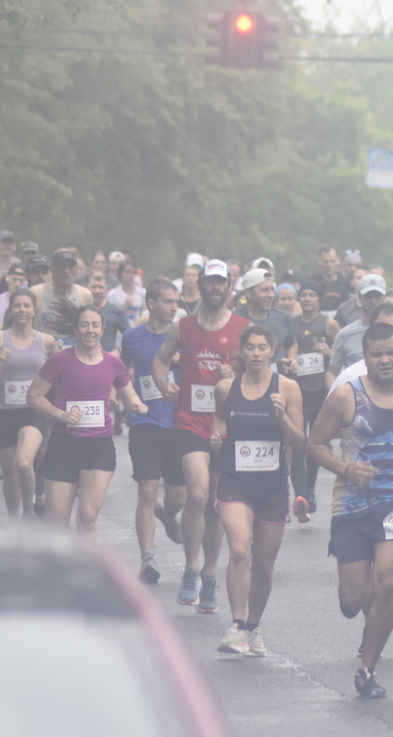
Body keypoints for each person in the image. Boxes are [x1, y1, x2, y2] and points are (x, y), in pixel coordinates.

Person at [308, 322, 393, 699]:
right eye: (377, 354)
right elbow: (314, 444)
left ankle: (368, 668)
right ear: (364, 357)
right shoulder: (346, 396)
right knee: (352, 601)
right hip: (351, 505)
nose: (385, 359)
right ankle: (372, 623)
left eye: (391, 352)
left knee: (389, 583)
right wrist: (346, 469)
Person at [153, 258, 250, 612]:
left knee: (214, 502)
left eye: (219, 283)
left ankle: (210, 574)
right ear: (201, 285)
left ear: (228, 287)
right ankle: (191, 569)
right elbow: (161, 359)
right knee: (196, 492)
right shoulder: (184, 327)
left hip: (227, 422)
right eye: (209, 282)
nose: (214, 288)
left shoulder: (243, 328)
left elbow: (258, 373)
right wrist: (165, 383)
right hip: (190, 419)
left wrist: (234, 373)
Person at [213, 325, 306, 658]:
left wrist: (281, 416)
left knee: (264, 566)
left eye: (261, 347)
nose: (255, 353)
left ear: (272, 351)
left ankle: (253, 626)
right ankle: (237, 625)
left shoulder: (288, 388)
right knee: (239, 549)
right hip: (235, 479)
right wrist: (215, 435)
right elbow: (220, 421)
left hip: (272, 484)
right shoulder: (226, 388)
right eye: (249, 347)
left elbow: (299, 442)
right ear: (241, 351)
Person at [27, 304, 146, 537]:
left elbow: (128, 393)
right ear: (76, 329)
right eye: (84, 325)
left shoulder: (113, 363)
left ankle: (87, 572)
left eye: (95, 325)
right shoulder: (60, 361)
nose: (89, 330)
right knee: (58, 523)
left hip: (98, 447)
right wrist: (60, 414)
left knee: (88, 517)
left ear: (103, 330)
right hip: (63, 445)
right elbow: (33, 396)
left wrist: (135, 404)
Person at [122, 277, 189, 584]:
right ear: (151, 304)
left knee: (178, 494)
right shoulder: (133, 337)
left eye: (176, 302)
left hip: (179, 422)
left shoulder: (186, 337)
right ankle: (147, 558)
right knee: (148, 489)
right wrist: (125, 399)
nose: (174, 307)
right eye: (167, 301)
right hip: (145, 421)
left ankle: (168, 512)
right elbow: (120, 373)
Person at [0, 287, 58, 518]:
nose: (22, 309)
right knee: (11, 476)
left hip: (33, 411)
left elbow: (60, 377)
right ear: (11, 310)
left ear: (34, 310)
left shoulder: (46, 342)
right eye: (17, 305)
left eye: (26, 305)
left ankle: (29, 510)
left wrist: (56, 411)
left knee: (24, 463)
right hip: (4, 412)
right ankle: (14, 520)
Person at [288, 279, 340, 520]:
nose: (307, 299)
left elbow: (342, 352)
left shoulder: (328, 324)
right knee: (298, 442)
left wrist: (330, 352)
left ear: (319, 299)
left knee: (315, 442)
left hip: (320, 389)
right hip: (297, 390)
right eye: (304, 295)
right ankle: (300, 495)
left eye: (312, 295)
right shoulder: (291, 324)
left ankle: (310, 487)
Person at [330, 274, 393, 377]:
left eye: (377, 296)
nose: (373, 301)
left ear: (385, 297)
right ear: (360, 297)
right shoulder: (346, 334)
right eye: (368, 296)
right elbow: (331, 373)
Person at [31, 249, 93, 346]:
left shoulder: (85, 295)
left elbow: (90, 329)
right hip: (42, 352)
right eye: (61, 266)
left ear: (77, 269)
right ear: (52, 268)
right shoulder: (37, 293)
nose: (66, 271)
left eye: (70, 266)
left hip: (73, 353)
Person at [238, 269, 296, 370]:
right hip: (245, 382)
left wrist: (291, 358)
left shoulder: (284, 318)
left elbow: (291, 344)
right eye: (264, 290)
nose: (270, 295)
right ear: (248, 292)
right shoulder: (235, 319)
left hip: (277, 382)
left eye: (272, 290)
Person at [86, 269, 130, 351]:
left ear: (107, 288)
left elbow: (131, 337)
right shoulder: (80, 309)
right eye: (94, 287)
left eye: (101, 287)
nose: (97, 291)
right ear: (86, 286)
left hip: (107, 359)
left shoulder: (115, 310)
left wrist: (118, 351)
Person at [316, 245, 354, 316]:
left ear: (338, 261)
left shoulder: (347, 283)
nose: (329, 265)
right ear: (320, 262)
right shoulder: (313, 282)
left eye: (332, 261)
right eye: (325, 262)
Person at [108, 260, 148, 327]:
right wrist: (124, 307)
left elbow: (145, 314)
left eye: (133, 272)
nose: (131, 275)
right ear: (120, 274)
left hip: (137, 333)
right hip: (119, 334)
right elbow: (109, 318)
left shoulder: (143, 293)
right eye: (127, 272)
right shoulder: (112, 294)